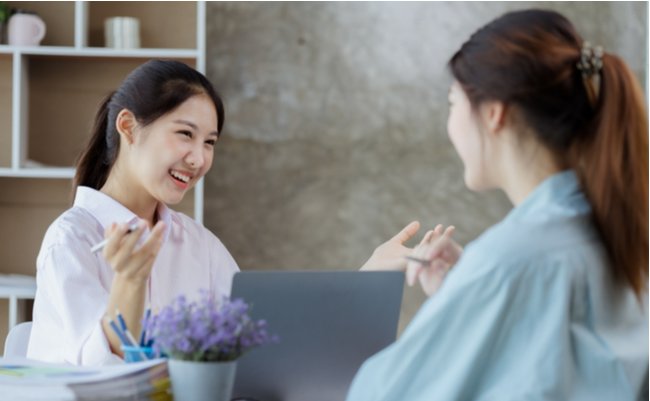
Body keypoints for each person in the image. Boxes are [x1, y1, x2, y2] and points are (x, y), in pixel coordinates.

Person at [347, 9, 648, 401]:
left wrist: (362, 293)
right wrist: (470, 295)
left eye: (453, 104)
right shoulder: (616, 228)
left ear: (494, 114)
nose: (451, 124)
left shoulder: (511, 261)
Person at [27, 60, 240, 365]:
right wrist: (130, 281)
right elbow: (100, 370)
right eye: (185, 133)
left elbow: (250, 339)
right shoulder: (71, 240)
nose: (198, 159)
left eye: (209, 142)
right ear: (128, 127)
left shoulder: (200, 245)